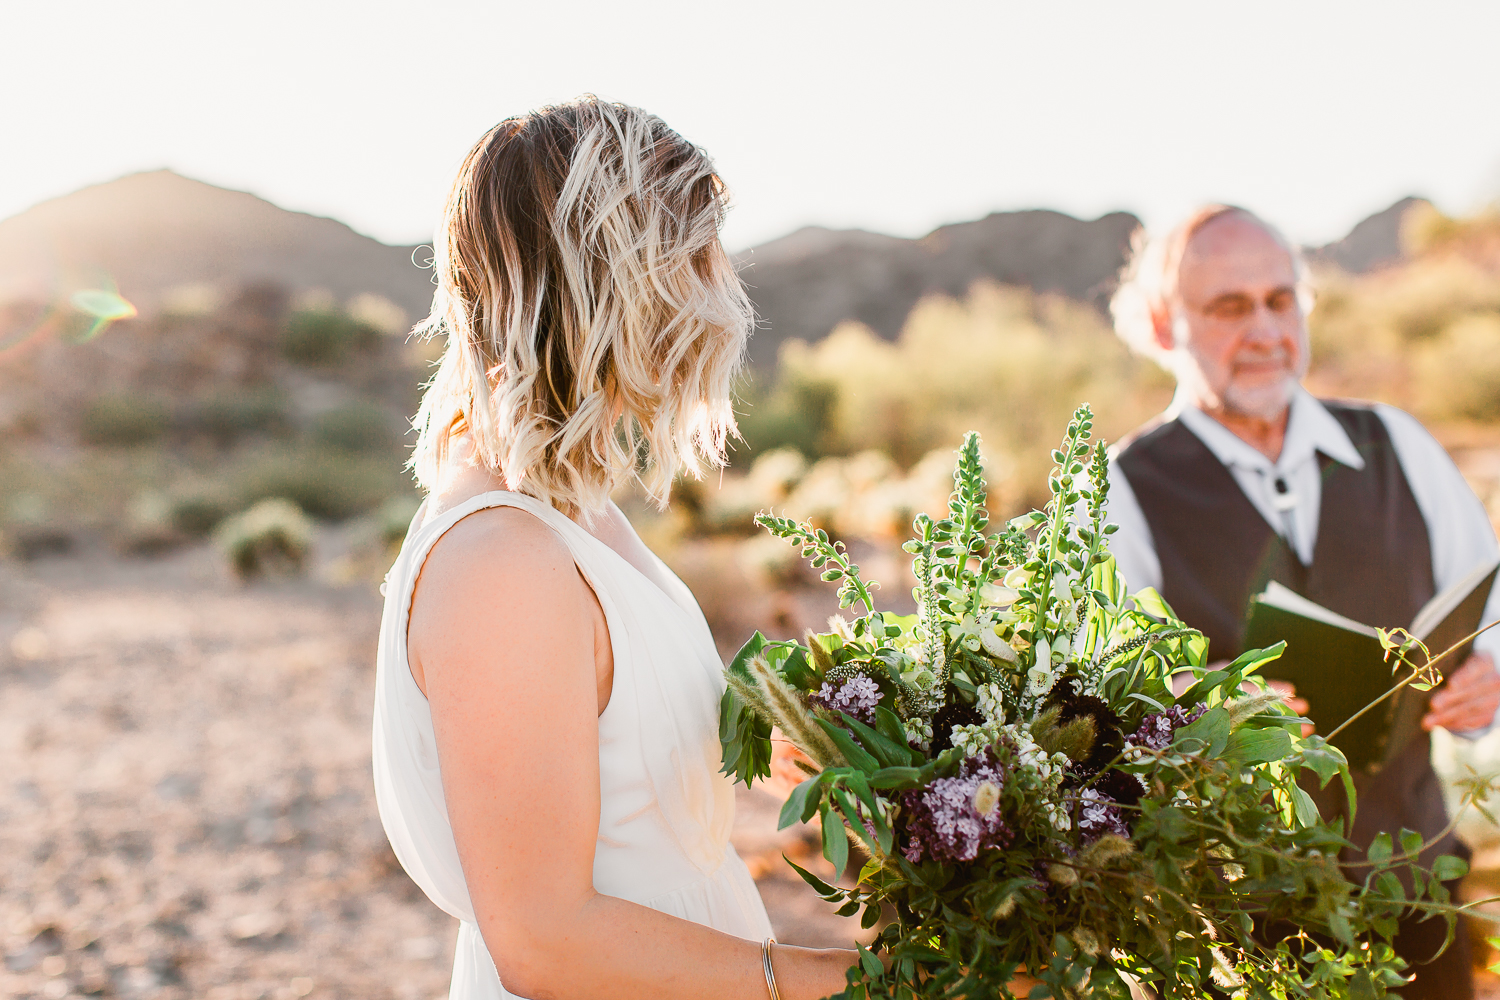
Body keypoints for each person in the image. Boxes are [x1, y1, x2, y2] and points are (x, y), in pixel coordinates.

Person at [371, 98, 855, 1000]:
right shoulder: (501, 561)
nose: (722, 292)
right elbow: (547, 941)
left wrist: (787, 729)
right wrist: (876, 986)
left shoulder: (576, 509)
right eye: (695, 255)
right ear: (606, 276)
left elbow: (614, 757)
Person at [1105, 204, 1500, 999]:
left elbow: (1489, 600)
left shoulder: (1399, 444)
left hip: (1416, 894)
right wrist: (1201, 705)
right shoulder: (1118, 489)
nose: (1265, 330)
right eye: (1228, 306)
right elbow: (1099, 700)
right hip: (1231, 929)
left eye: (1281, 300)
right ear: (1160, 322)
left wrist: (1486, 676)